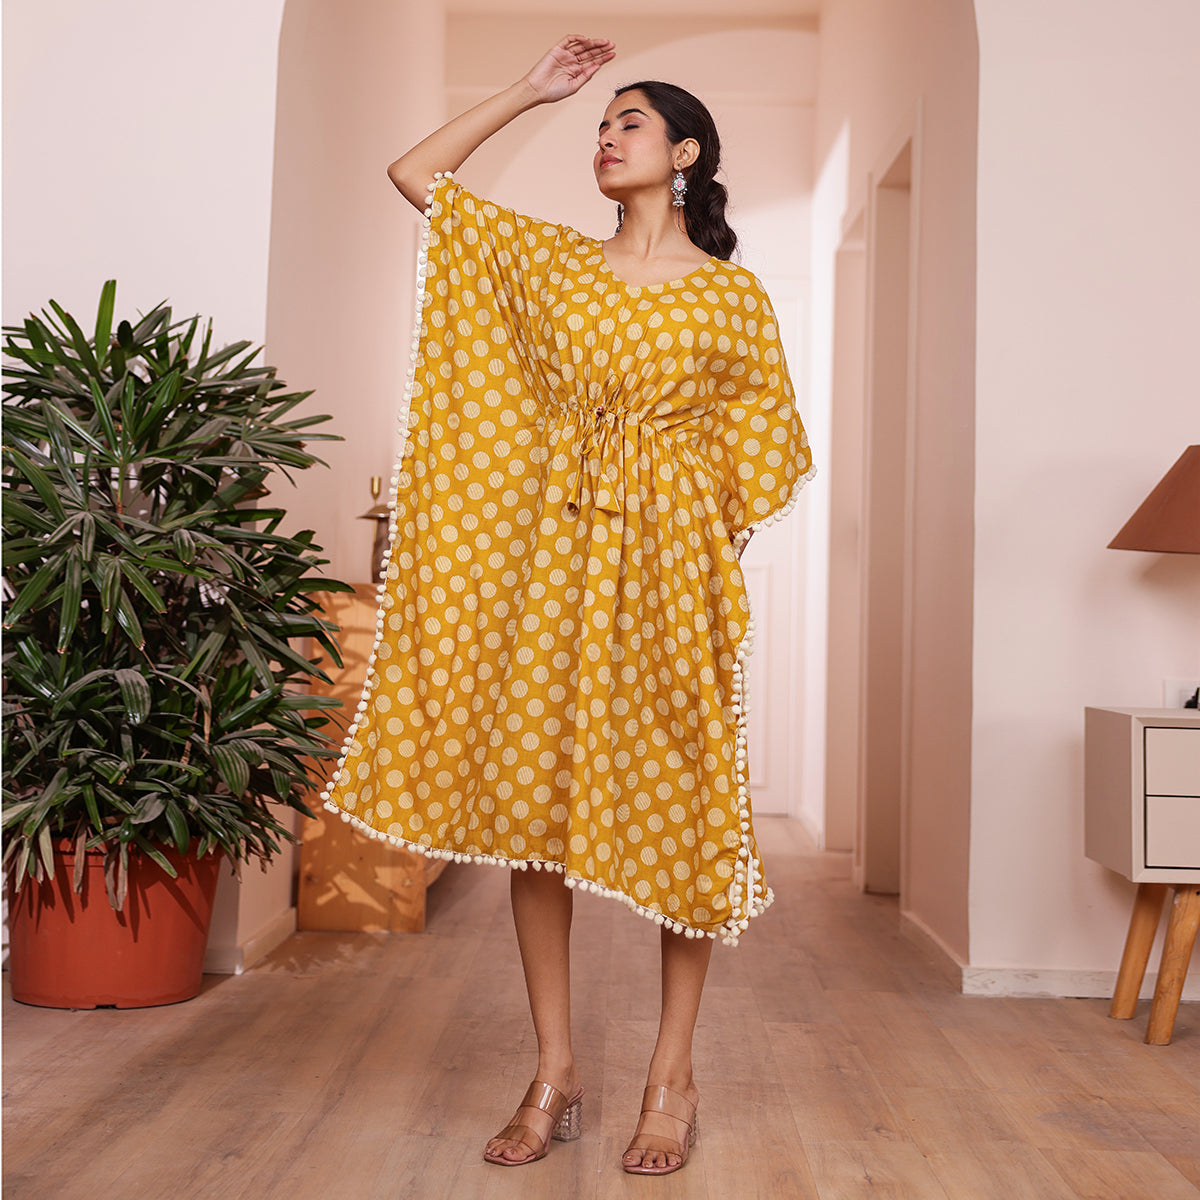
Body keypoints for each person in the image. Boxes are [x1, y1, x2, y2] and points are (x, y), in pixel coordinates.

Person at [321, 34, 814, 1176]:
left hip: (671, 579)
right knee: (536, 814)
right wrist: (532, 92)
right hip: (553, 571)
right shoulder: (550, 266)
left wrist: (696, 550)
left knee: (684, 810)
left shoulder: (730, 297)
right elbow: (415, 175)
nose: (605, 136)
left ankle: (671, 1076)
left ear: (684, 154)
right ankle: (555, 1070)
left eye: (628, 121)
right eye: (599, 123)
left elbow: (764, 450)